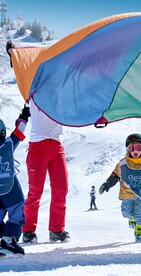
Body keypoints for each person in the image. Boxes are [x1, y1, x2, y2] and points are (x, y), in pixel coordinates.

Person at [22, 100, 70, 243]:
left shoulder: (61, 92)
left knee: (62, 188)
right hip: (37, 145)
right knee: (35, 190)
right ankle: (28, 231)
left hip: (56, 145)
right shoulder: (33, 91)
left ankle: (56, 230)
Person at [99, 133, 141, 242]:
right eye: (132, 148)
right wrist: (107, 184)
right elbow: (116, 175)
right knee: (126, 213)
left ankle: (139, 231)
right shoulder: (122, 164)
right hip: (127, 194)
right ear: (128, 149)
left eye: (138, 147)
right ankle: (131, 218)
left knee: (140, 214)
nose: (135, 151)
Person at [0, 105, 30, 255]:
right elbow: (19, 131)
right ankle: (8, 240)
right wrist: (24, 116)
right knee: (17, 210)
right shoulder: (8, 143)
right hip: (10, 187)